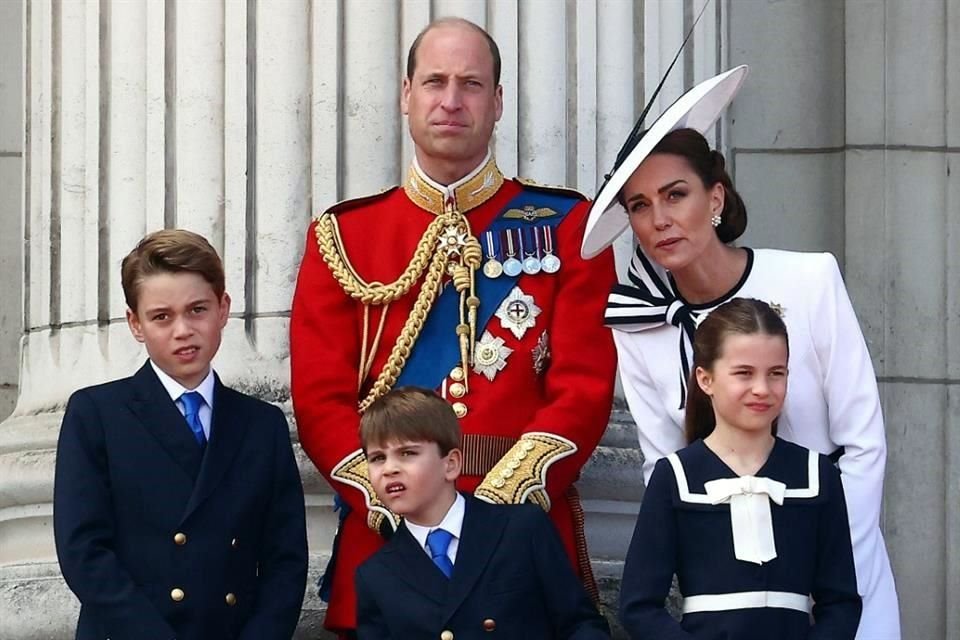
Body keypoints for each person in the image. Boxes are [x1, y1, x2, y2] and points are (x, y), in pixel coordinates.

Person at [290, 16, 617, 636]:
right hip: (391, 536)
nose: (450, 100)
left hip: (519, 536)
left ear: (497, 104)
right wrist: (394, 500)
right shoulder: (343, 236)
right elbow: (320, 400)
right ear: (405, 95)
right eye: (434, 81)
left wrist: (494, 509)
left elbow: (583, 385)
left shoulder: (570, 225)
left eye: (471, 84)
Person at [582, 67, 900, 638]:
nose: (659, 219)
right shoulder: (637, 322)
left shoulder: (809, 279)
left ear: (715, 197)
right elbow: (664, 467)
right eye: (639, 205)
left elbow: (863, 443)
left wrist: (817, 564)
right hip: (728, 597)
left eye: (675, 194)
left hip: (838, 580)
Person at [53, 230, 308, 640]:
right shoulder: (96, 414)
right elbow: (83, 552)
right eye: (161, 316)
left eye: (197, 309)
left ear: (223, 309)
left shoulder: (262, 424)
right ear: (135, 323)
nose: (183, 330)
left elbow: (286, 559)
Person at [619, 298, 862, 639]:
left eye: (776, 373)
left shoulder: (817, 474)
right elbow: (638, 606)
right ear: (705, 380)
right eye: (743, 373)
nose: (762, 389)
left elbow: (841, 602)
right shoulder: (674, 476)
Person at [354, 387, 611, 639]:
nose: (389, 469)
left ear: (451, 464)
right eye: (377, 458)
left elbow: (579, 624)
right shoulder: (376, 575)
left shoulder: (521, 529)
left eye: (407, 453)